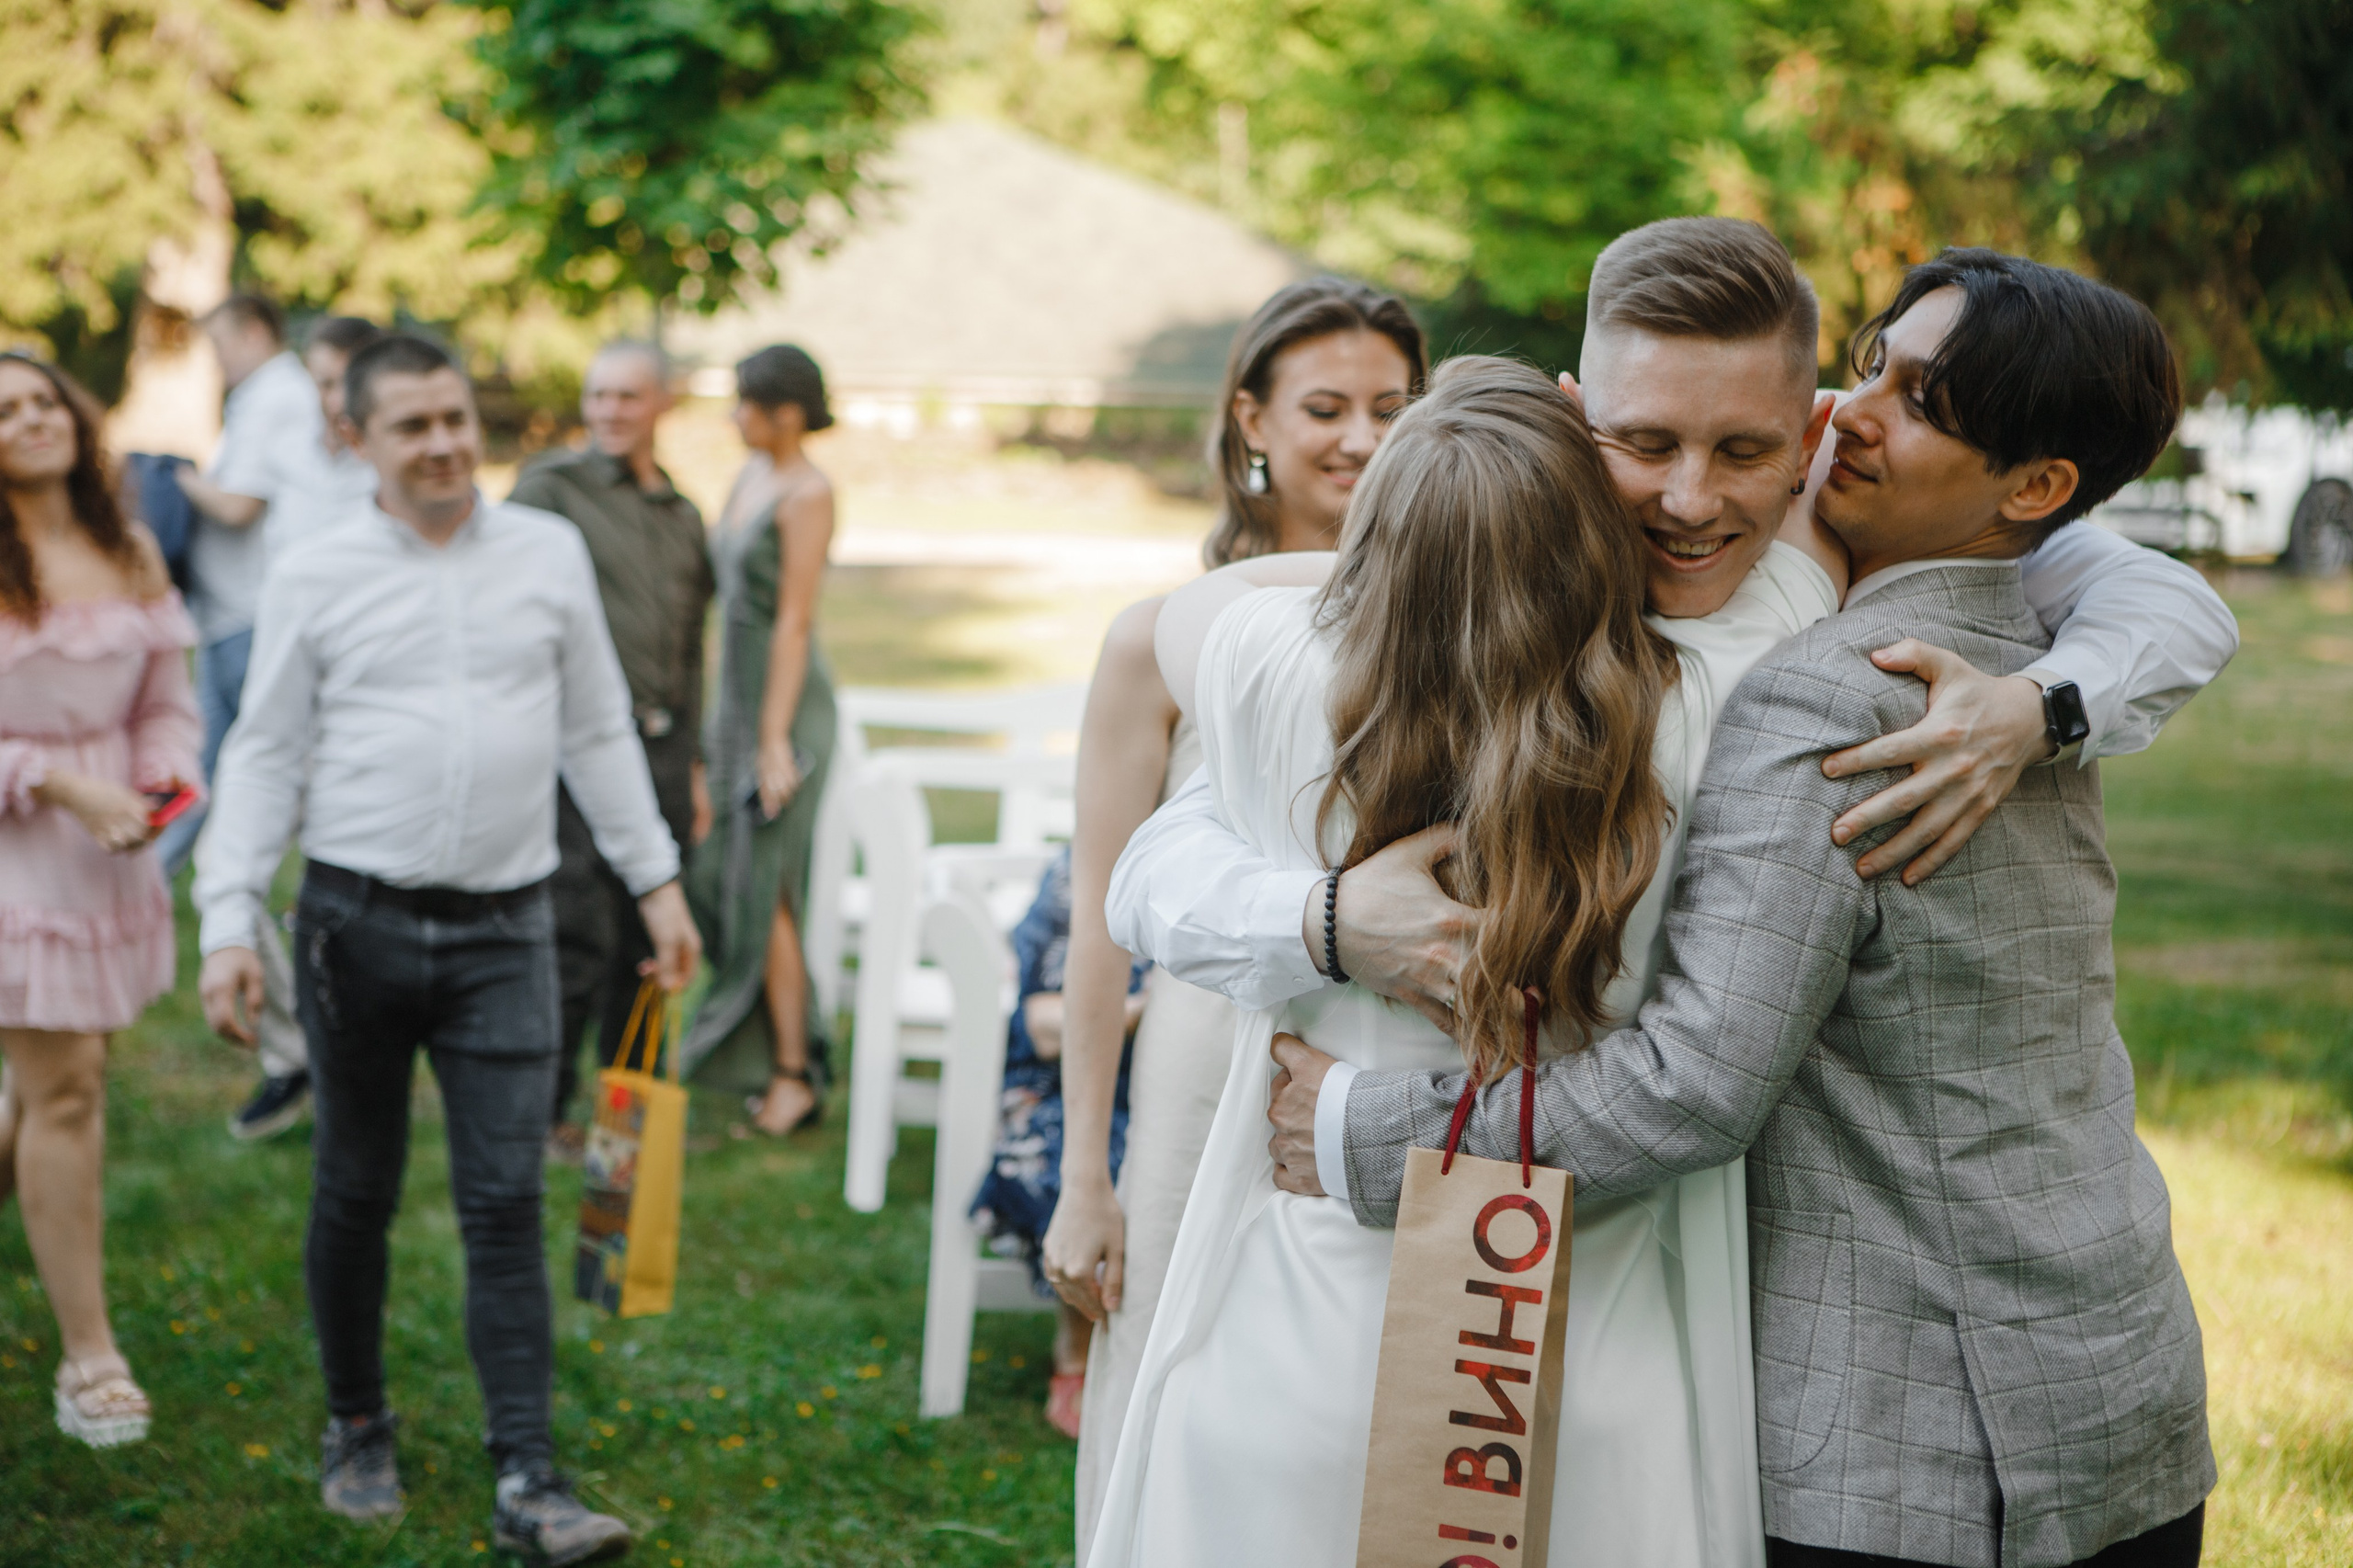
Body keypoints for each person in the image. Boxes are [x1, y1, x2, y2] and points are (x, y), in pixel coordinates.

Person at [1096, 222, 2238, 1567]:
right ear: (1575, 426)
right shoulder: (1459, 635)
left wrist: (2042, 707)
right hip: (1935, 1348)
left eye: (1748, 450)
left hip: (1826, 1359)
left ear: (1803, 435)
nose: (1695, 498)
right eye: (1647, 447)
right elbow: (1166, 854)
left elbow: (2142, 584)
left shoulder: (1809, 663)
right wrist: (1333, 919)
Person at [193, 333, 699, 1563]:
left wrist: (660, 883)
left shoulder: (547, 550)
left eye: (457, 417)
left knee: (504, 1197)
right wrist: (225, 916)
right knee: (355, 1187)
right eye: (411, 424)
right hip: (354, 927)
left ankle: (530, 1472)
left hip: (510, 929)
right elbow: (262, 753)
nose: (442, 443)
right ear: (354, 438)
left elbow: (594, 729)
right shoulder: (314, 571)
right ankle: (356, 1419)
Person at [1039, 275, 1427, 1552]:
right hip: (1208, 1058)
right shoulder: (1161, 636)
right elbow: (1102, 919)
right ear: (1250, 419)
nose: (1362, 438)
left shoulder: (1455, 630)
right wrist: (1083, 1174)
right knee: (1167, 1378)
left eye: (1390, 406)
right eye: (1326, 407)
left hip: (1387, 1071)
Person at [0, 353, 199, 1449]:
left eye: (42, 400)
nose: (31, 418)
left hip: (113, 852)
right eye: (5, 411)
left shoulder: (130, 548)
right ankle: (89, 1354)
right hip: (17, 850)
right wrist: (62, 781)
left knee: (61, 1076)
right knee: (68, 1087)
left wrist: (162, 786)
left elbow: (167, 700)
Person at [509, 341, 714, 1161]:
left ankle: (627, 1120)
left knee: (648, 939)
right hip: (578, 753)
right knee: (574, 934)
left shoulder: (684, 514)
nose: (607, 412)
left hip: (663, 754)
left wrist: (694, 763)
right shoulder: (548, 489)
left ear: (663, 404)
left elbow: (691, 647)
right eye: (596, 396)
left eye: (627, 397)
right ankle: (545, 1108)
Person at [210, 312, 386, 1144]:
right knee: (230, 878)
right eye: (319, 379)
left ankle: (354, 1065)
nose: (330, 399)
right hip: (282, 713)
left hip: (365, 726)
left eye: (344, 381)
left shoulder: (398, 480)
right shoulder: (288, 451)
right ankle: (294, 1052)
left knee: (348, 910)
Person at [161, 291, 324, 1143]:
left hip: (255, 632)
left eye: (219, 342)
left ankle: (298, 1051)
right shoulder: (265, 398)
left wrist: (172, 478)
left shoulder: (277, 395)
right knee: (215, 822)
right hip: (227, 629)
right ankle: (294, 1050)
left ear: (255, 333)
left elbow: (240, 505)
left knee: (225, 827)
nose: (215, 358)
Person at [677, 345, 838, 1135]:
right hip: (735, 702)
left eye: (745, 403)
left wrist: (773, 740)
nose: (734, 416)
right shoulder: (748, 476)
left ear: (784, 411)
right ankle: (775, 1045)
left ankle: (791, 1074)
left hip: (786, 706)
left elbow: (794, 620)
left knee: (770, 887)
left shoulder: (810, 492)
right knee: (718, 876)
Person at [967, 846, 1148, 1437]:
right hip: (1056, 1083)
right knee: (1084, 1169)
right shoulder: (1074, 877)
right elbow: (1039, 1018)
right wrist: (1137, 1013)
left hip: (1157, 1086)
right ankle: (1077, 1356)